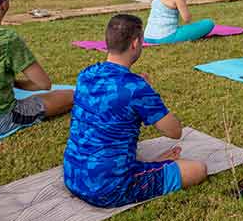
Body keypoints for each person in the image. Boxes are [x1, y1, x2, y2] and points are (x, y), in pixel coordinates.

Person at [64, 14, 207, 208]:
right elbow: (174, 131)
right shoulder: (136, 88)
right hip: (109, 190)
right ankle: (148, 169)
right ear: (135, 43)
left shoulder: (86, 74)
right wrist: (150, 93)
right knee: (197, 169)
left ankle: (148, 166)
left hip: (73, 176)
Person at [0, 0, 73, 136]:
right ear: (4, 5)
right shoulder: (6, 39)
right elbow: (43, 84)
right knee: (72, 96)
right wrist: (15, 83)